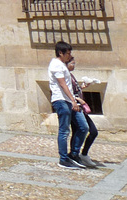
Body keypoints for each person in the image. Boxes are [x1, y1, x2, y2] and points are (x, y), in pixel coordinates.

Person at [49, 40, 89, 170]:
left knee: (83, 127)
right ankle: (63, 159)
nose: (69, 56)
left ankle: (74, 154)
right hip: (61, 100)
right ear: (60, 53)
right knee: (64, 130)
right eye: (67, 53)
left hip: (69, 100)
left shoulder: (61, 65)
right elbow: (62, 84)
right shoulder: (55, 65)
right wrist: (73, 100)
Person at [68, 58, 98, 168]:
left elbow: (74, 91)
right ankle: (74, 155)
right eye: (72, 63)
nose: (74, 64)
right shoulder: (66, 77)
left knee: (86, 131)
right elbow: (67, 93)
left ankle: (80, 154)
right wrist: (78, 100)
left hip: (79, 108)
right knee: (85, 129)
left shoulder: (71, 76)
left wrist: (82, 87)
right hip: (75, 107)